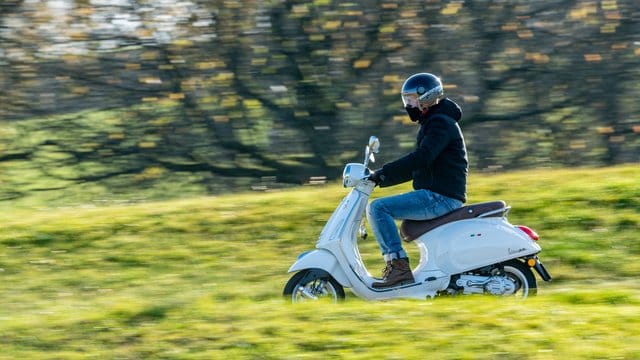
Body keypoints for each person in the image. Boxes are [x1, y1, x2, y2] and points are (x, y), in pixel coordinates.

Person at [366, 72, 468, 288]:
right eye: (406, 100)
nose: (408, 105)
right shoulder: (435, 122)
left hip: (440, 196)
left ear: (426, 99)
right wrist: (380, 177)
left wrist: (383, 173)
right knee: (380, 208)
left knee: (378, 209)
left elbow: (422, 158)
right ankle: (399, 268)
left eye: (411, 99)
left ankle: (398, 267)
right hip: (438, 193)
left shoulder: (440, 124)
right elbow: (417, 167)